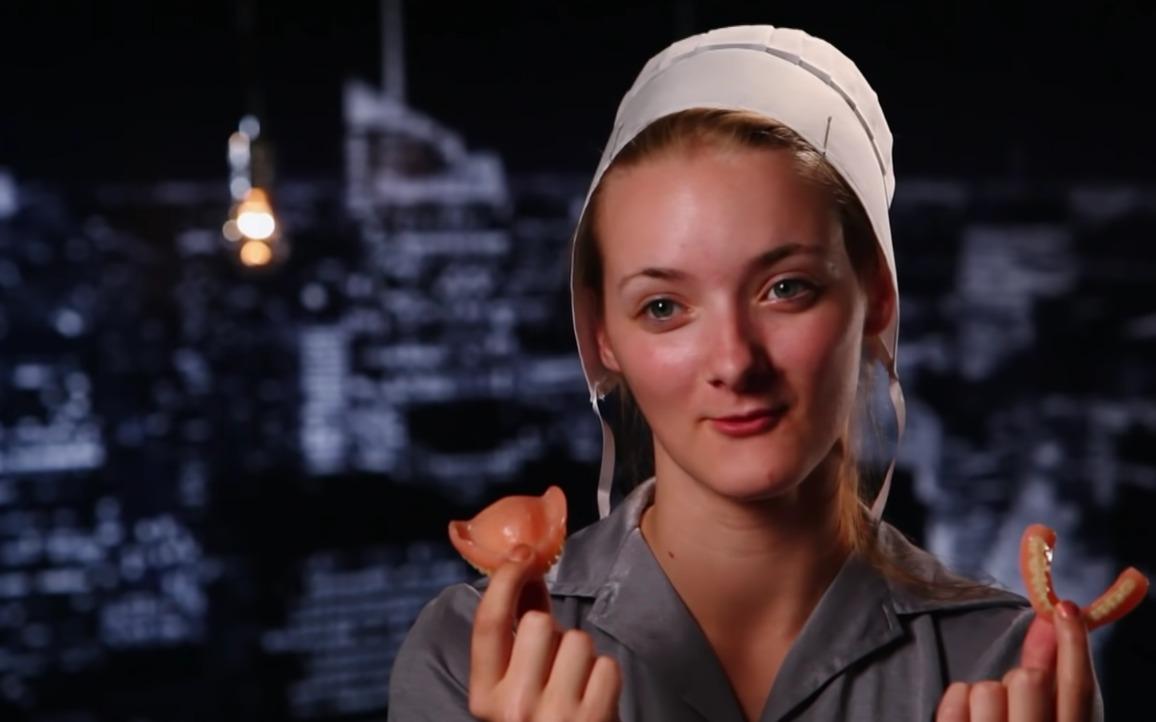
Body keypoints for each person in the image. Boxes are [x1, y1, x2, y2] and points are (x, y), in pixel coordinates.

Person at [388, 25, 1105, 722]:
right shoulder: (474, 655)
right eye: (664, 306)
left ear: (876, 297)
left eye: (785, 288)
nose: (734, 362)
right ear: (602, 336)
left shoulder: (1009, 668)